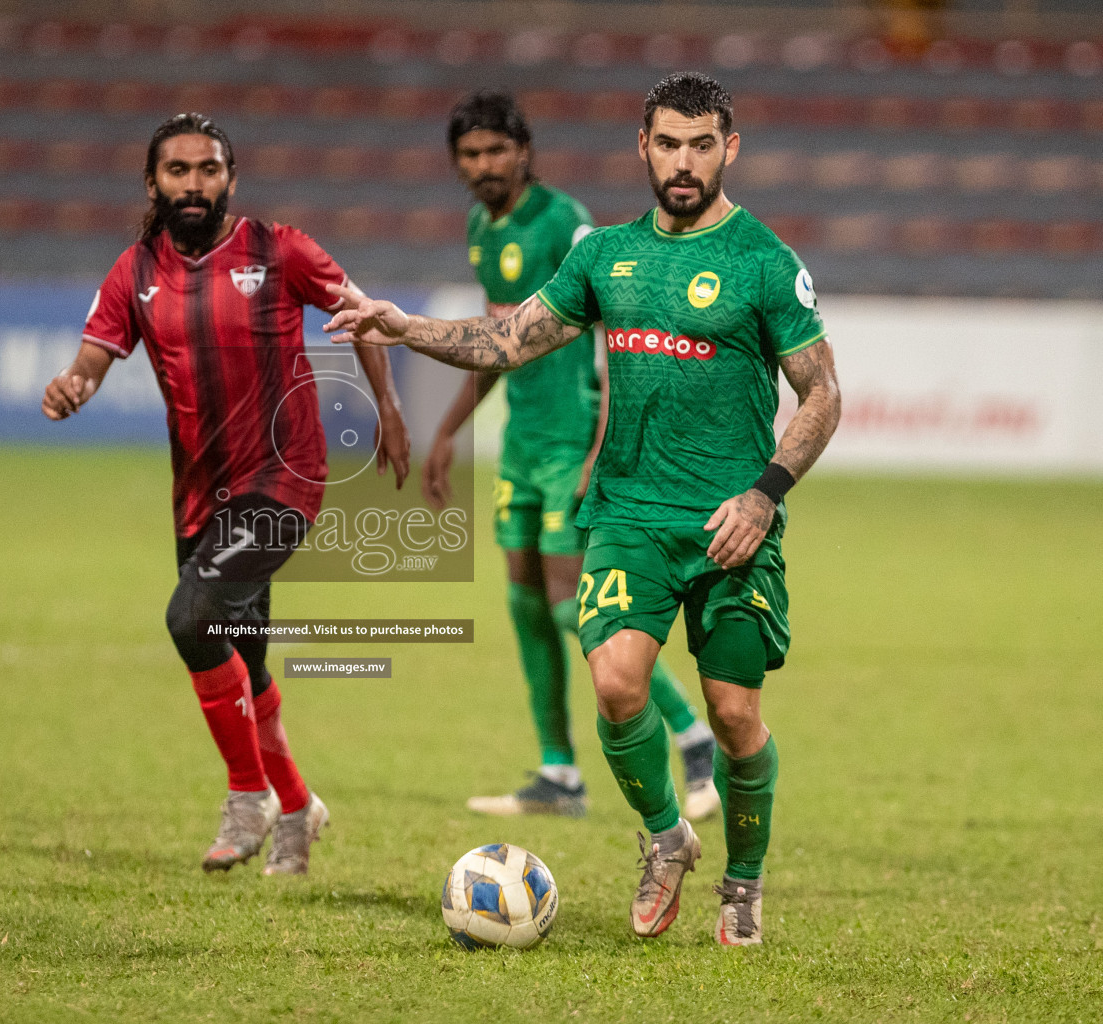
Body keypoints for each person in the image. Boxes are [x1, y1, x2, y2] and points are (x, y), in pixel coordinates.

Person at [325, 73, 841, 947]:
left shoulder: (763, 260)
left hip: (731, 524)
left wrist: (765, 492)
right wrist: (403, 325)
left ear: (730, 149)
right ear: (642, 146)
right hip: (628, 512)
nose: (684, 162)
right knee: (613, 682)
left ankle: (743, 882)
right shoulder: (603, 255)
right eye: (668, 144)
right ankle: (667, 837)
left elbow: (822, 391)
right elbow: (508, 338)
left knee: (735, 716)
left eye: (702, 144)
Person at [43, 113, 411, 875]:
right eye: (177, 171)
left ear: (229, 179)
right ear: (153, 183)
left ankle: (249, 796)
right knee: (245, 661)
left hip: (283, 480)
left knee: (191, 616)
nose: (193, 184)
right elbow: (91, 358)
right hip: (200, 498)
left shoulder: (280, 249)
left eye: (207, 169)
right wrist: (73, 387)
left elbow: (367, 320)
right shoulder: (133, 272)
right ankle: (299, 806)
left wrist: (391, 409)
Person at [428, 90, 718, 822]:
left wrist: (600, 446)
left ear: (524, 150)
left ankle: (693, 737)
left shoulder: (566, 223)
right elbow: (505, 341)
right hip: (522, 443)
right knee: (524, 599)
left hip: (573, 440)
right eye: (471, 154)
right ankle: (559, 774)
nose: (486, 165)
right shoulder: (480, 228)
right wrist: (448, 429)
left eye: (497, 150)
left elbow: (617, 340)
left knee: (569, 603)